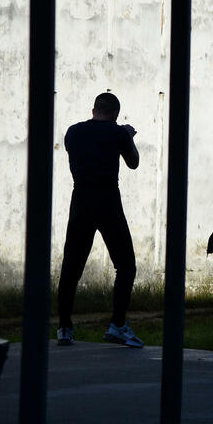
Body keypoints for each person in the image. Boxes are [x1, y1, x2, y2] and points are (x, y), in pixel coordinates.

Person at [56, 92, 143, 348]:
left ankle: (64, 327)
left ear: (93, 109)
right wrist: (127, 136)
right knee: (126, 265)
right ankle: (117, 325)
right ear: (115, 114)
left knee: (71, 267)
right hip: (107, 202)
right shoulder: (117, 134)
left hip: (80, 200)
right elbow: (134, 163)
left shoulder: (73, 132)